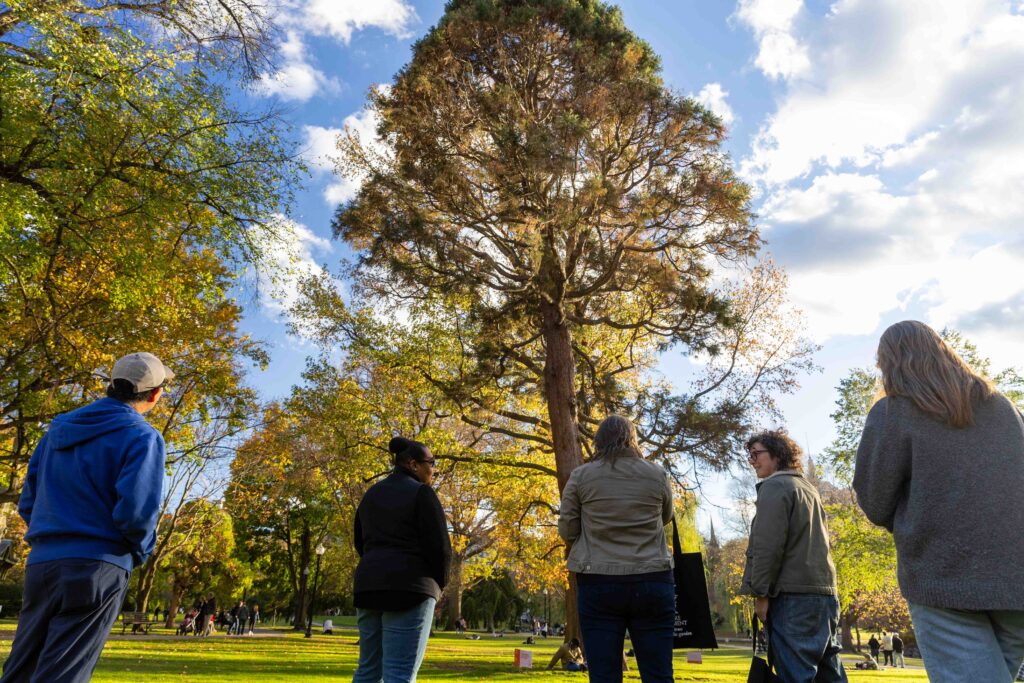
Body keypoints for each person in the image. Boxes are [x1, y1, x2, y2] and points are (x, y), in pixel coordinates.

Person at [854, 321, 1024, 683]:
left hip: (943, 575)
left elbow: (875, 500)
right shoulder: (1003, 408)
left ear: (889, 363)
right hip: (1016, 579)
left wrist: (916, 517)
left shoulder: (893, 412)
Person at [0, 352, 171, 683]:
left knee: (22, 669)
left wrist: (50, 534)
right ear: (154, 394)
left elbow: (28, 502)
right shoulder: (143, 436)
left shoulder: (55, 433)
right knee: (63, 673)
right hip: (99, 566)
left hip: (43, 564)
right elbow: (136, 514)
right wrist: (139, 552)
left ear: (112, 386)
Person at [558, 414, 674, 683]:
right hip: (652, 577)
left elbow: (568, 530)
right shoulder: (656, 474)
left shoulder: (581, 476)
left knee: (603, 674)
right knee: (658, 673)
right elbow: (665, 517)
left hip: (599, 580)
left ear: (599, 442)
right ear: (632, 439)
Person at [740, 430, 847, 683]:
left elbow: (768, 547)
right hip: (825, 597)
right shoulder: (809, 489)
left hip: (793, 598)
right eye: (750, 455)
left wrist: (761, 594)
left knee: (796, 676)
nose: (752, 461)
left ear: (777, 454)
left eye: (756, 454)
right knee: (829, 675)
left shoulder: (775, 487)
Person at [351, 436, 451, 683]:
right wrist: (439, 585)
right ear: (413, 464)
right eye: (432, 462)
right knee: (400, 674)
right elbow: (440, 547)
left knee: (368, 671)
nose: (434, 469)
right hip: (411, 589)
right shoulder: (422, 494)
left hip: (369, 586)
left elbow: (360, 541)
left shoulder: (371, 494)